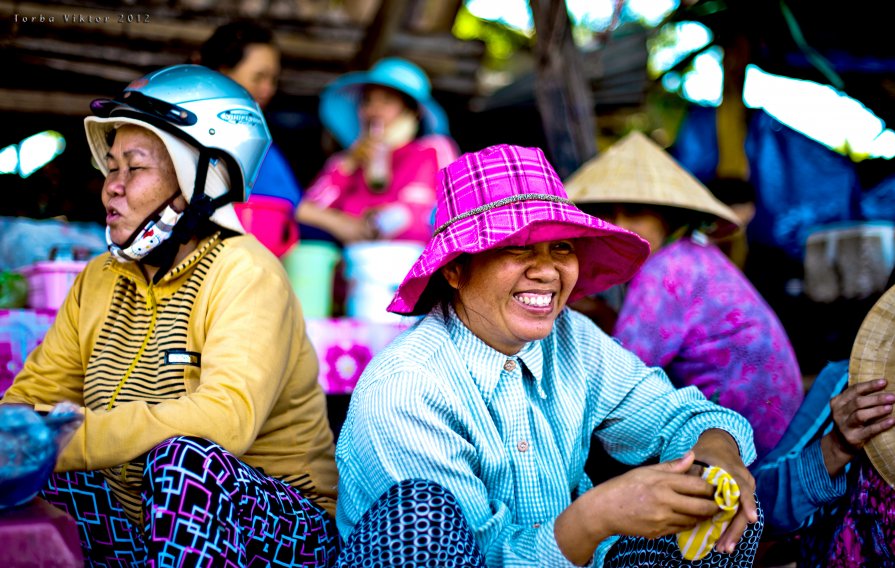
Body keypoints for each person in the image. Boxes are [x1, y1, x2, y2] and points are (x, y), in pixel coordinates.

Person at [334, 144, 763, 567]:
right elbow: (477, 560)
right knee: (420, 512)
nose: (546, 271)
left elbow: (676, 415)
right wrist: (595, 517)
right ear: (455, 270)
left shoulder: (571, 336)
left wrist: (716, 451)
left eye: (561, 247)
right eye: (517, 247)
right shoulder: (407, 390)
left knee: (726, 512)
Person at [0, 64, 340, 565]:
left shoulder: (245, 271)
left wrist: (64, 439)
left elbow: (224, 421)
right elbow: (32, 399)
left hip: (280, 531)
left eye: (134, 168)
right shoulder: (98, 278)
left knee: (184, 459)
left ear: (197, 177)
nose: (110, 187)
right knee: (30, 469)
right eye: (110, 167)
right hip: (149, 524)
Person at [565, 131, 804, 461]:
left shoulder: (664, 271)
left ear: (667, 214)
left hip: (743, 442)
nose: (617, 223)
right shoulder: (690, 254)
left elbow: (623, 373)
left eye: (634, 212)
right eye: (607, 211)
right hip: (776, 428)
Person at [296, 57, 458, 245]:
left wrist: (382, 220)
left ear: (412, 112)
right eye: (368, 101)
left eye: (387, 101)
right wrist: (348, 163)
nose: (374, 111)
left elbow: (439, 216)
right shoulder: (347, 160)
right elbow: (307, 211)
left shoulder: (433, 151)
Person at [195, 20, 302, 257]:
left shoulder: (259, 140)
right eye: (258, 77)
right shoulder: (194, 136)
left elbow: (289, 204)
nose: (268, 89)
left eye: (273, 79)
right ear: (222, 74)